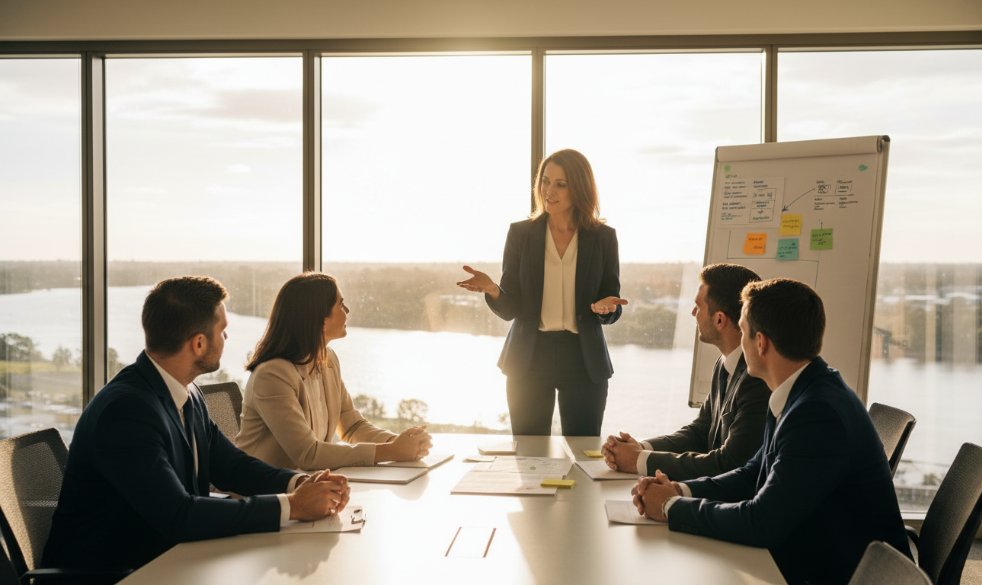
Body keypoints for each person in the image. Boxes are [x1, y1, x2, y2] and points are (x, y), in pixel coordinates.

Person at [43, 276, 349, 573]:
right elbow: (179, 515)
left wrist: (299, 483)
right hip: (119, 574)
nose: (227, 338)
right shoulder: (126, 411)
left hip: (171, 561)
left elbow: (232, 466)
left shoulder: (186, 392)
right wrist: (293, 507)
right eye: (223, 330)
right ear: (199, 344)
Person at [632, 278, 910, 585]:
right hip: (813, 550)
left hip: (835, 571)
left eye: (743, 331)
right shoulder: (802, 388)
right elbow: (754, 472)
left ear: (761, 342)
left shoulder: (817, 414)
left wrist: (672, 508)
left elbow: (762, 522)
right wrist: (680, 490)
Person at [458, 149, 628, 436]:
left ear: (580, 187)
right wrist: (492, 289)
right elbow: (511, 307)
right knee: (529, 454)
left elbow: (612, 301)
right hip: (530, 358)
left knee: (584, 452)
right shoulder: (521, 234)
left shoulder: (603, 237)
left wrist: (607, 309)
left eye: (561, 184)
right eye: (545, 181)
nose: (549, 191)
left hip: (583, 360)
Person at [236, 272, 432, 470]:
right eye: (340, 305)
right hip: (262, 494)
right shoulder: (272, 375)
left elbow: (352, 426)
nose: (347, 311)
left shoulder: (327, 360)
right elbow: (308, 454)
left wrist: (402, 443)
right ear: (320, 319)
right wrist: (393, 451)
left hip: (307, 486)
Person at [602, 263, 769, 480]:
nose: (693, 313)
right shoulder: (725, 362)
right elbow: (701, 431)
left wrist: (638, 460)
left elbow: (730, 463)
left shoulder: (757, 378)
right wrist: (641, 448)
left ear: (719, 319)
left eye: (698, 306)